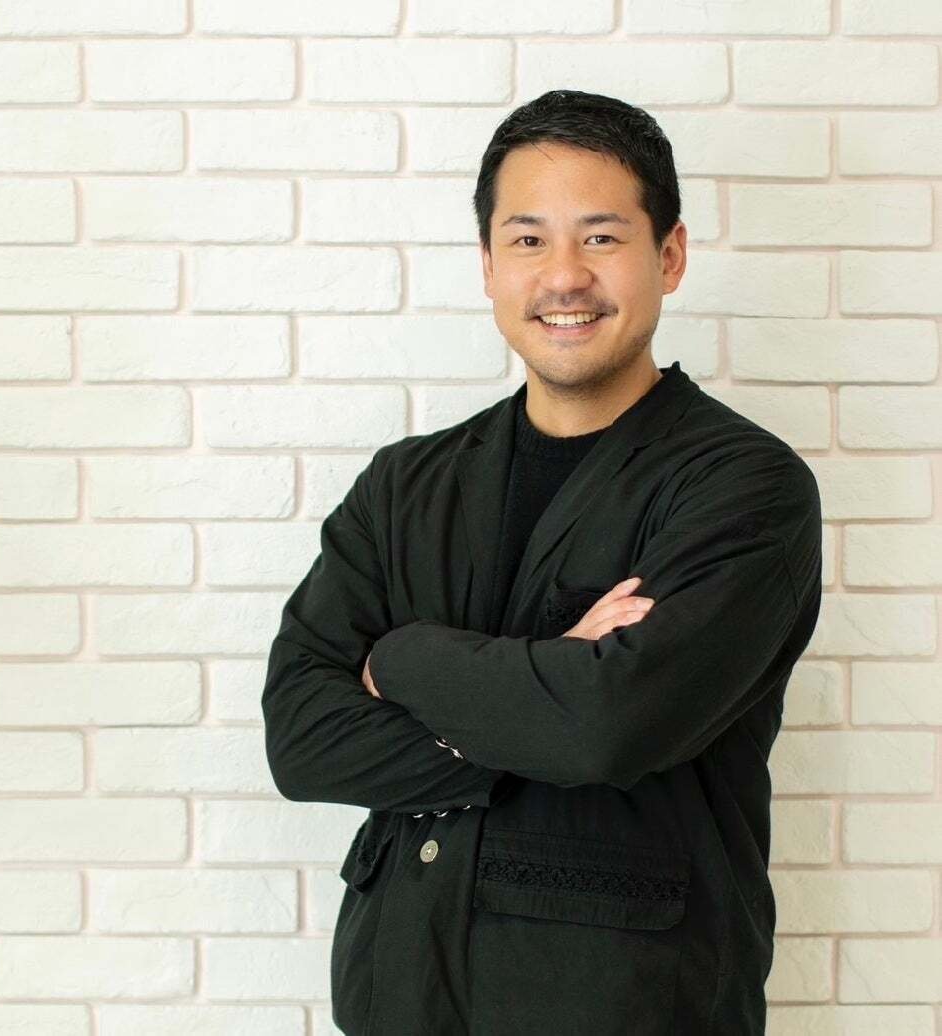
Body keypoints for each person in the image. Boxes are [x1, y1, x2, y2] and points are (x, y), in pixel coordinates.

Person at [263, 89, 822, 1035]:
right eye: (527, 240)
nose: (564, 276)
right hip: (401, 995)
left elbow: (603, 725)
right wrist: (546, 678)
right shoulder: (405, 485)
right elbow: (302, 737)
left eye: (600, 237)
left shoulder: (742, 487)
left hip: (623, 1005)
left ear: (668, 256)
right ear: (488, 265)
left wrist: (399, 660)